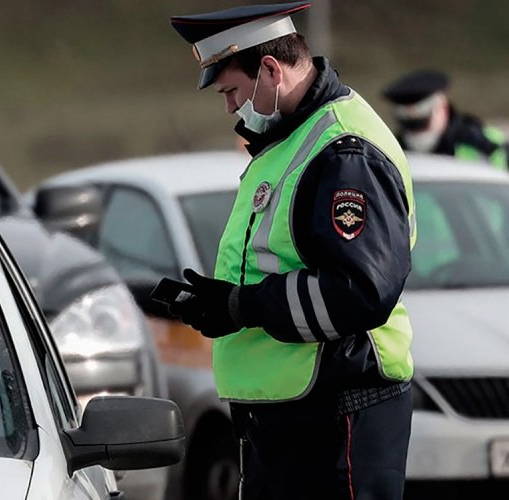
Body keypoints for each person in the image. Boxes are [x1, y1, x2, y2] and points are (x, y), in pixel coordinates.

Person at [168, 3, 415, 499]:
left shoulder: (344, 152)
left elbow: (360, 290)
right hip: (295, 418)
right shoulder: (292, 137)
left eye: (232, 91)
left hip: (339, 412)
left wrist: (243, 307)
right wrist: (223, 300)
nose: (230, 108)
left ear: (271, 70)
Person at [382, 69, 509, 168]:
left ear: (442, 108)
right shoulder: (391, 151)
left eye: (424, 123)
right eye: (409, 125)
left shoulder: (485, 143)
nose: (417, 132)